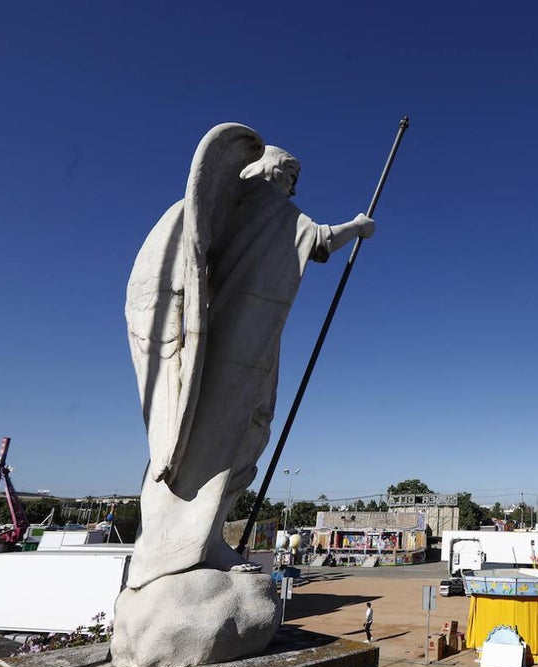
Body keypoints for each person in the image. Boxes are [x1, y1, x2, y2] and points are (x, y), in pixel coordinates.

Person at [124, 124, 374, 590]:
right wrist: (357, 227)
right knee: (227, 430)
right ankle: (183, 546)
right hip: (230, 345)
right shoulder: (257, 201)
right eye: (290, 175)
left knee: (247, 430)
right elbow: (318, 241)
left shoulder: (249, 206)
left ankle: (204, 538)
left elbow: (309, 241)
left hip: (253, 341)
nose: (293, 187)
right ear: (269, 167)